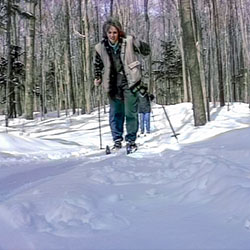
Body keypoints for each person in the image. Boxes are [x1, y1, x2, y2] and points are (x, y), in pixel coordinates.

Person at [94, 17, 150, 152]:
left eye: (115, 32)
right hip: (112, 84)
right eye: (110, 33)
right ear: (106, 33)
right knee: (115, 113)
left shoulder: (128, 41)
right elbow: (97, 64)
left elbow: (146, 51)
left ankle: (131, 140)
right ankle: (117, 140)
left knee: (130, 112)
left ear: (119, 32)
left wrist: (139, 43)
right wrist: (97, 77)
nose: (112, 35)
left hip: (130, 82)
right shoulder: (100, 47)